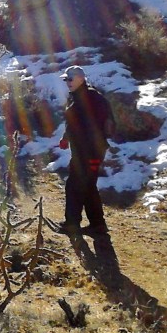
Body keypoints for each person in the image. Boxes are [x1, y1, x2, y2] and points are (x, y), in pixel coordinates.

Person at [56, 65, 115, 237]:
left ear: (81, 79)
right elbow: (74, 122)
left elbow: (99, 127)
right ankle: (98, 225)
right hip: (82, 150)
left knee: (74, 186)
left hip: (90, 152)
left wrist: (89, 151)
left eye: (70, 79)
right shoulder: (76, 97)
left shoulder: (93, 99)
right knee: (88, 186)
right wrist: (67, 137)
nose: (67, 82)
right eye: (65, 79)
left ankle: (72, 224)